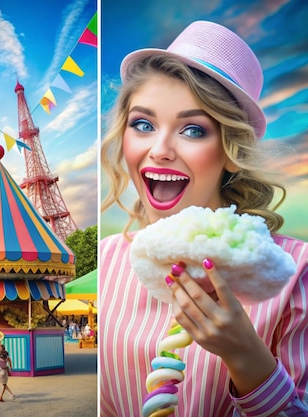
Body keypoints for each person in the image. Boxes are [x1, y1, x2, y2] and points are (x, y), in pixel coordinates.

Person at [100, 20, 308, 416]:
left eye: (193, 130)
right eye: (142, 125)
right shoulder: (107, 260)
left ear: (231, 149)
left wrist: (245, 354)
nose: (159, 149)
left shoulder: (295, 271)